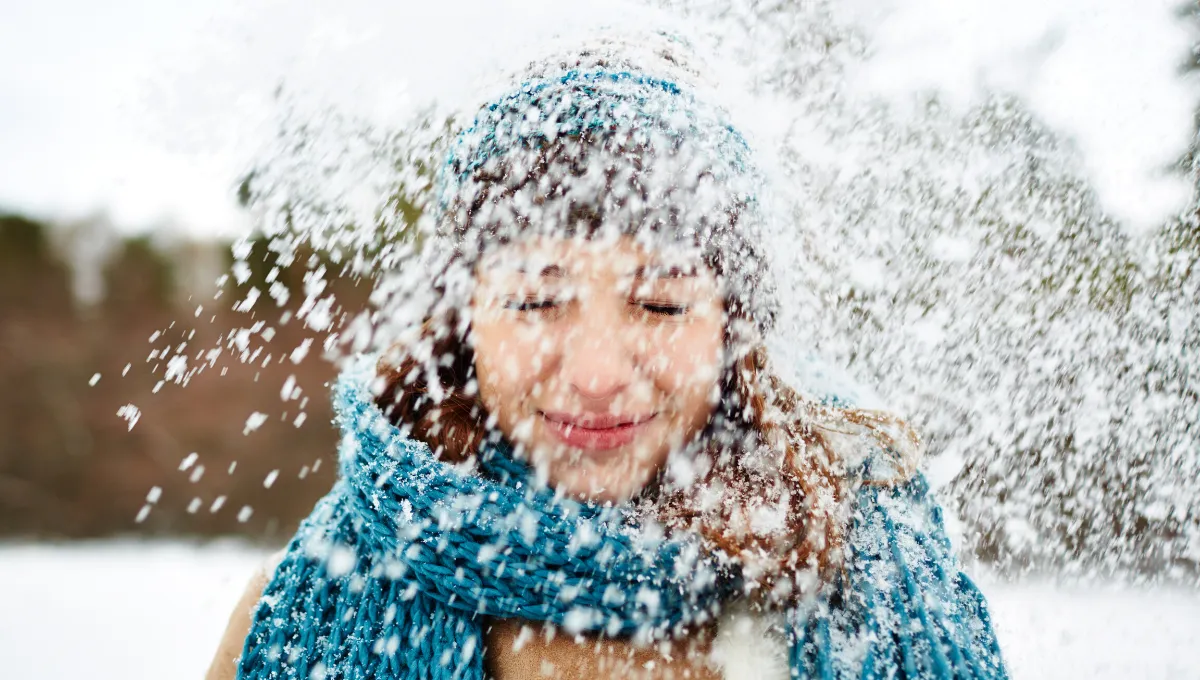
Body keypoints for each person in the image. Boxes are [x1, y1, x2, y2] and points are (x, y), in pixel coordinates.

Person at [207, 30, 1008, 680]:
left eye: (659, 303)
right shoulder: (294, 615)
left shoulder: (864, 575)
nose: (596, 376)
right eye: (534, 300)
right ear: (464, 320)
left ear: (734, 329)